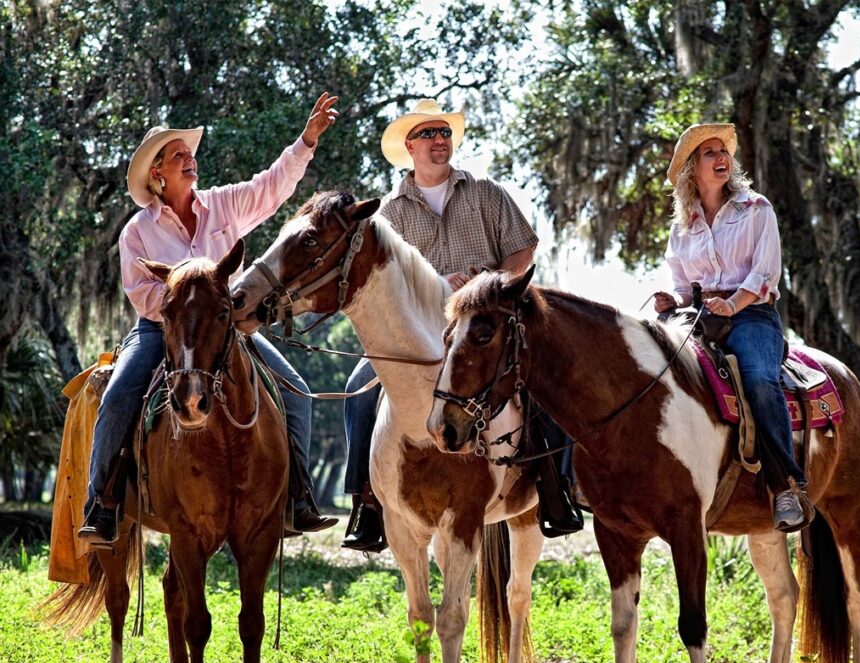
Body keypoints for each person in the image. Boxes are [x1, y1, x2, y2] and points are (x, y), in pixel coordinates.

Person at [77, 93, 341, 547]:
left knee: (296, 389)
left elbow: (273, 186)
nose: (190, 159)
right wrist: (188, 301)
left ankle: (297, 498)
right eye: (179, 155)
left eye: (190, 153)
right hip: (163, 332)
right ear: (157, 171)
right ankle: (101, 503)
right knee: (119, 395)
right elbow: (142, 295)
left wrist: (306, 141)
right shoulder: (136, 232)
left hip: (227, 332)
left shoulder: (223, 204)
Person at [342, 98, 584, 551]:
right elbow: (386, 284)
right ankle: (367, 504)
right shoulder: (388, 215)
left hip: (486, 330)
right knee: (359, 391)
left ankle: (556, 490)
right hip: (420, 329)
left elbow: (521, 254)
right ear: (409, 146)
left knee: (547, 383)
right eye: (430, 135)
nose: (440, 141)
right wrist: (436, 285)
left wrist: (486, 290)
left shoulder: (486, 193)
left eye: (444, 133)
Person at [654, 122, 807, 532]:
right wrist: (676, 300)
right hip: (699, 318)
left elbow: (765, 273)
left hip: (752, 314)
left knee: (758, 379)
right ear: (691, 169)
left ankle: (786, 486)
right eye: (710, 153)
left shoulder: (756, 208)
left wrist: (733, 302)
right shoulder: (682, 226)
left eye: (723, 151)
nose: (722, 158)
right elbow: (685, 285)